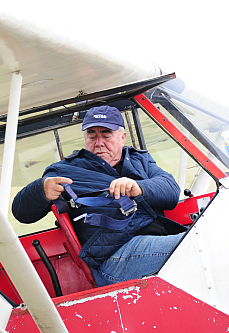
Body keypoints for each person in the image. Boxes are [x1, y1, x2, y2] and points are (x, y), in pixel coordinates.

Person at [12, 105, 186, 286]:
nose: (99, 142)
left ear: (122, 137)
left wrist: (138, 187)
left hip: (153, 240)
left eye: (106, 134)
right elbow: (21, 212)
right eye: (92, 135)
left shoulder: (140, 159)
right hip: (112, 258)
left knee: (199, 239)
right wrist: (40, 190)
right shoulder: (65, 170)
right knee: (195, 244)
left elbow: (171, 191)